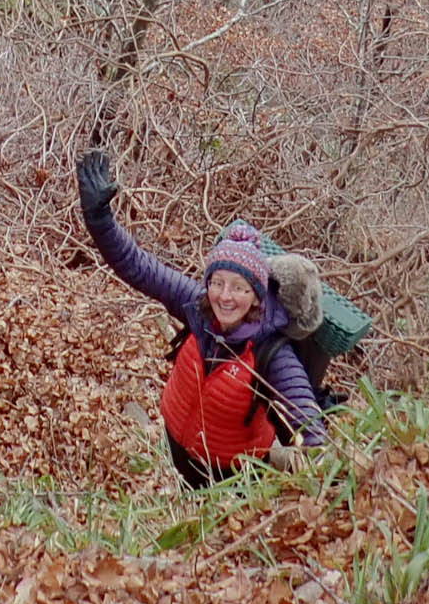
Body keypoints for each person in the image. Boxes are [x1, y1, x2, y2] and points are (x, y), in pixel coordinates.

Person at [76, 147, 325, 486]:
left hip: (227, 476)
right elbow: (137, 266)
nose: (225, 296)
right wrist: (99, 219)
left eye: (239, 287)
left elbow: (307, 419)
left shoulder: (271, 351)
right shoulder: (197, 306)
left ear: (256, 294)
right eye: (218, 282)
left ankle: (270, 467)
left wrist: (325, 470)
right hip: (177, 446)